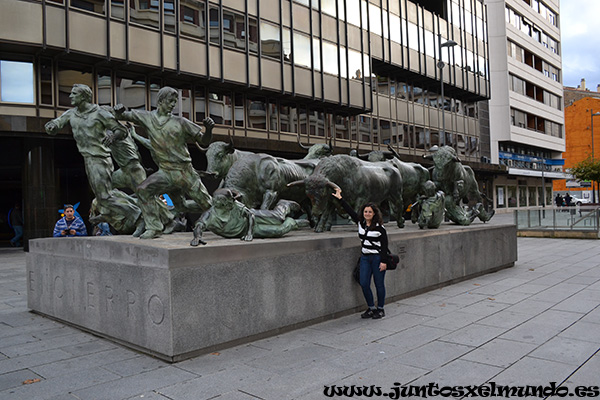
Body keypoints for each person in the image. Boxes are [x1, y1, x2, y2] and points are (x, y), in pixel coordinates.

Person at [114, 86, 214, 239]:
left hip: (184, 172)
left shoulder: (181, 122)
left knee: (207, 205)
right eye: (170, 101)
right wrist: (119, 110)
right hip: (165, 172)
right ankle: (154, 227)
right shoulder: (147, 118)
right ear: (160, 101)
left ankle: (225, 219)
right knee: (143, 190)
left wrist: (208, 130)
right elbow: (125, 115)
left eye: (175, 101)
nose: (173, 104)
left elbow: (204, 141)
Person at [44, 84, 142, 235]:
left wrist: (112, 136)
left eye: (74, 94)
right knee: (103, 198)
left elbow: (121, 130)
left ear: (83, 96)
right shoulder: (71, 114)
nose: (70, 97)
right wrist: (50, 126)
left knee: (104, 197)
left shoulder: (99, 113)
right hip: (88, 159)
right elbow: (56, 124)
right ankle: (136, 212)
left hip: (100, 158)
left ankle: (138, 214)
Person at [332, 187, 389, 319]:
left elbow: (385, 246)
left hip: (377, 258)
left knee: (379, 284)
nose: (367, 213)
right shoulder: (361, 223)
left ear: (374, 214)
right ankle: (371, 307)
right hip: (365, 258)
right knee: (364, 283)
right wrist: (340, 198)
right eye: (365, 211)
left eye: (370, 212)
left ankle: (380, 309)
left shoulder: (381, 229)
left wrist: (384, 261)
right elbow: (349, 211)